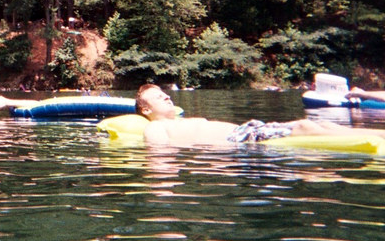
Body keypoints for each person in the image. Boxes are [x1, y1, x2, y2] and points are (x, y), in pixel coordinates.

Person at [135, 83, 385, 147]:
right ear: (146, 110)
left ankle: (378, 134)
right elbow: (160, 155)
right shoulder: (155, 127)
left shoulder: (178, 121)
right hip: (239, 141)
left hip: (246, 132)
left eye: (165, 94)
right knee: (307, 126)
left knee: (314, 125)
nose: (167, 97)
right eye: (158, 97)